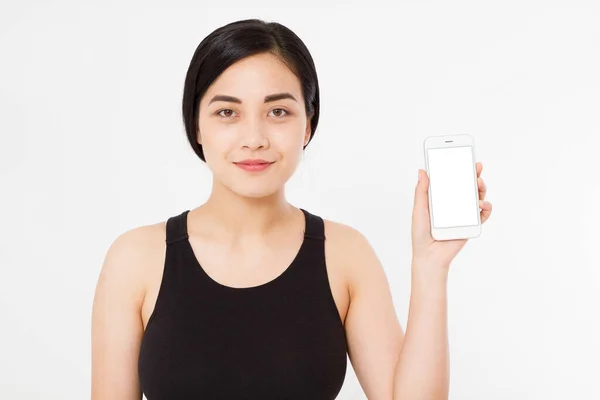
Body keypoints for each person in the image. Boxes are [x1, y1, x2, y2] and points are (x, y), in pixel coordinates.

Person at [91, 19, 492, 400]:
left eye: (278, 111)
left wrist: (431, 268)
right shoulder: (135, 259)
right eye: (227, 112)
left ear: (307, 126)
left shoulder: (345, 254)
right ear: (196, 126)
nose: (254, 138)